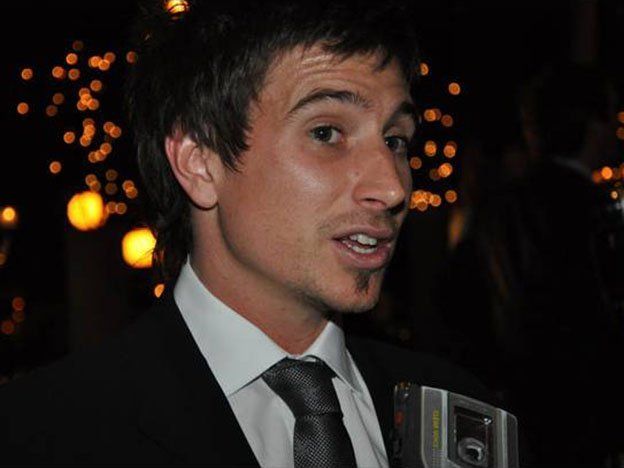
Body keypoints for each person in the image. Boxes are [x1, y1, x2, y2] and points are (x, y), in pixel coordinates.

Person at [0, 1, 494, 465]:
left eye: (395, 140)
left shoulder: (467, 418)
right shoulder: (43, 433)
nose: (392, 187)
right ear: (199, 162)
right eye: (326, 133)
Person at [437, 63, 623, 466]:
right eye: (611, 117)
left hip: (511, 413)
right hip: (584, 419)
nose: (615, 130)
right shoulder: (598, 214)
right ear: (592, 124)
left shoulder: (496, 209)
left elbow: (456, 303)